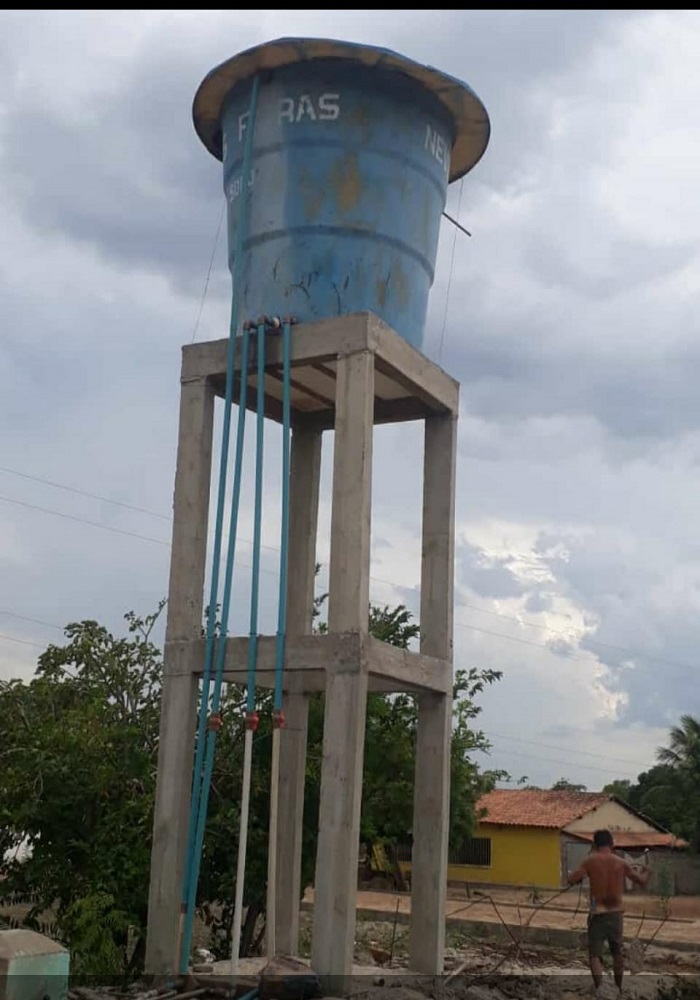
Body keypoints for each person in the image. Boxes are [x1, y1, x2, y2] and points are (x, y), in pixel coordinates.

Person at [567, 829, 650, 993]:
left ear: (594, 844)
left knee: (595, 955)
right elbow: (641, 881)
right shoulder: (621, 863)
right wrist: (648, 871)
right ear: (612, 844)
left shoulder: (590, 861)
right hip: (616, 913)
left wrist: (577, 876)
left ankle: (600, 989)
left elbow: (572, 880)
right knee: (617, 953)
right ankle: (618, 988)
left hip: (597, 914)